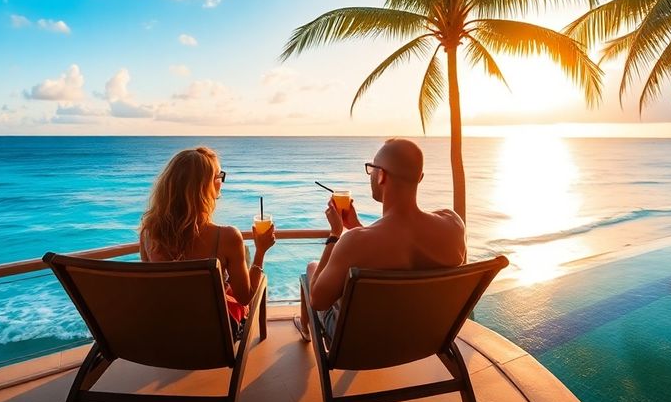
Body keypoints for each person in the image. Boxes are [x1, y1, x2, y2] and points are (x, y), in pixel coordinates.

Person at [296, 138, 466, 341]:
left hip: (358, 341)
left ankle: (305, 329)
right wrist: (358, 226)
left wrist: (335, 234)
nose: (371, 175)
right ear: (419, 178)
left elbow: (318, 301)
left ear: (381, 176)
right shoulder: (453, 226)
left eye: (372, 169)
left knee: (312, 268)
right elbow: (402, 248)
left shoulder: (353, 243)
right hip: (419, 336)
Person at [140, 147, 275, 337]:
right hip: (215, 335)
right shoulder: (227, 237)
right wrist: (261, 251)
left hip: (170, 330)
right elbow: (245, 298)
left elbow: (153, 287)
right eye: (218, 176)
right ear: (205, 186)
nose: (221, 182)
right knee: (245, 253)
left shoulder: (148, 233)